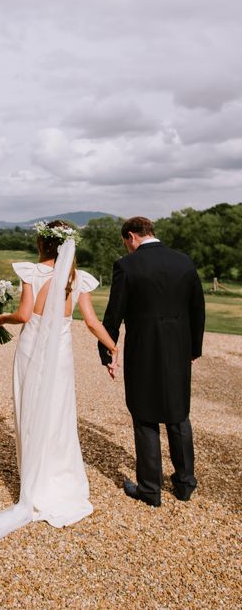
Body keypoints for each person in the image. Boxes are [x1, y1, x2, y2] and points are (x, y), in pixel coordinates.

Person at [0, 220, 118, 580]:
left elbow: (26, 315)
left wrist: (1, 318)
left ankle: (35, 481)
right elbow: (91, 321)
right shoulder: (79, 279)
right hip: (60, 355)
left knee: (28, 410)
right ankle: (59, 479)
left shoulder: (31, 273)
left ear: (43, 244)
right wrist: (112, 347)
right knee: (59, 414)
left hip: (31, 350)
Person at [99, 216, 205, 507]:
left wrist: (108, 351)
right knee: (178, 414)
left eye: (127, 243)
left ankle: (150, 489)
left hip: (142, 350)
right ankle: (184, 484)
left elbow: (114, 314)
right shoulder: (184, 262)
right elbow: (198, 308)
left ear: (131, 237)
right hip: (178, 350)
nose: (128, 248)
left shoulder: (126, 266)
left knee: (144, 415)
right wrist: (193, 349)